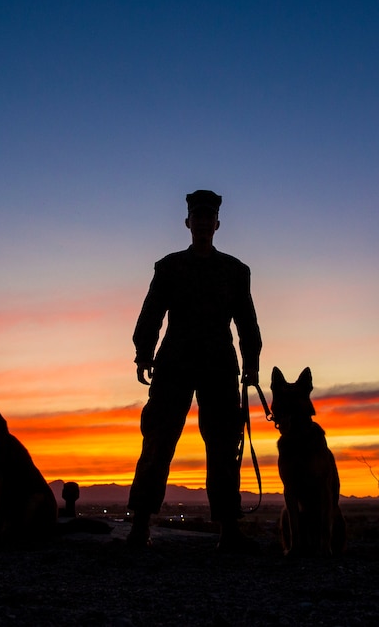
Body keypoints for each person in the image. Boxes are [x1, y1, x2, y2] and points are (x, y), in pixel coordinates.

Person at [127, 190, 263, 552]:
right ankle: (140, 526)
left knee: (223, 445)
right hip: (174, 362)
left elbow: (247, 323)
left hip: (219, 365)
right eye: (197, 217)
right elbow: (152, 312)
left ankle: (229, 530)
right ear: (188, 223)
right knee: (158, 440)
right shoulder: (169, 267)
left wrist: (251, 364)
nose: (203, 223)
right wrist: (144, 353)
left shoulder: (236, 271)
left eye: (209, 217)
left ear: (216, 224)